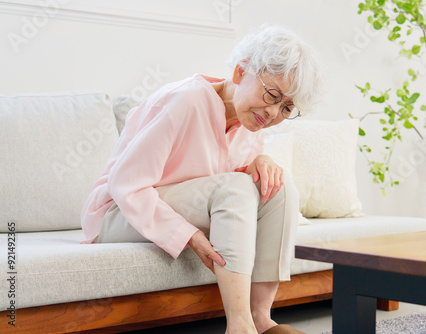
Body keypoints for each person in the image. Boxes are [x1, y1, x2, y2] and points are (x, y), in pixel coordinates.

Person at [81, 24, 321, 334]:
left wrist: (258, 162)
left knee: (279, 186)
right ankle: (240, 326)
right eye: (272, 95)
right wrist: (187, 234)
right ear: (240, 71)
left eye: (286, 108)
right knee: (236, 188)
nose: (273, 112)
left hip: (171, 205)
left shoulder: (251, 126)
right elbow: (127, 184)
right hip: (117, 214)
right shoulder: (185, 101)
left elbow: (225, 184)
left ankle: (261, 318)